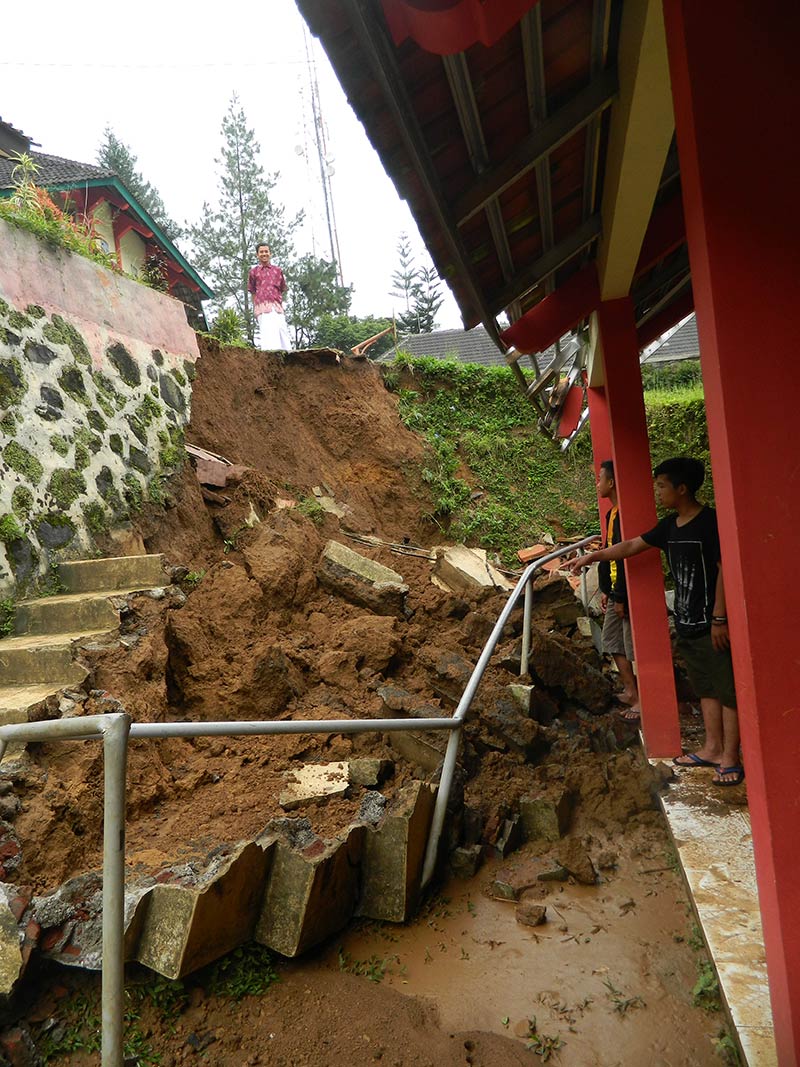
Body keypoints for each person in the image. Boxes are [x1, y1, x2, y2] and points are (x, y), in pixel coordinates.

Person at [568, 457, 742, 787]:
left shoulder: (710, 524)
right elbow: (633, 545)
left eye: (662, 485)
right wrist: (593, 556)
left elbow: (724, 570)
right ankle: (712, 747)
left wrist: (720, 617)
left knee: (727, 690)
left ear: (682, 488)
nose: (658, 491)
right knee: (705, 686)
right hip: (687, 622)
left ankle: (730, 756)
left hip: (711, 623)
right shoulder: (669, 526)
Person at [595, 460, 640, 720]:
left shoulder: (625, 515)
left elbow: (624, 556)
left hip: (624, 592)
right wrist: (606, 588)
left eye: (600, 478)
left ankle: (644, 699)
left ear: (611, 483)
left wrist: (620, 594)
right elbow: (609, 553)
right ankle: (631, 690)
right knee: (612, 641)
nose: (597, 483)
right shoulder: (611, 514)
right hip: (613, 590)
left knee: (631, 645)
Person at [248, 243, 291, 350]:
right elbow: (252, 291)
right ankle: (271, 359)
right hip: (262, 308)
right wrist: (256, 307)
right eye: (261, 252)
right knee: (268, 333)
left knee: (282, 332)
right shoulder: (253, 272)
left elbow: (282, 288)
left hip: (277, 307)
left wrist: (278, 302)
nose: (264, 254)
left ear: (270, 253)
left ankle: (288, 358)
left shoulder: (277, 271)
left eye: (266, 251)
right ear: (257, 255)